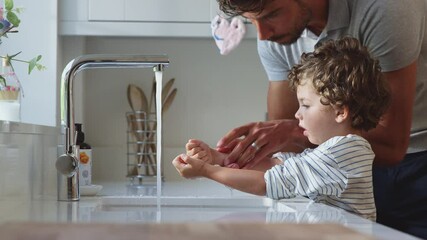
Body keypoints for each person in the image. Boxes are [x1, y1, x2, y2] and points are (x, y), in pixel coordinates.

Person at [213, 0, 427, 238]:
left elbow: (392, 145)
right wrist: (220, 158)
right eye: (250, 21)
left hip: (417, 165)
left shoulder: (388, 7)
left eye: (272, 15)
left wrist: (293, 133)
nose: (262, 35)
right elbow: (284, 152)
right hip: (332, 167)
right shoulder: (275, 36)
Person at [173, 37, 390, 221]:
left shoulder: (346, 151)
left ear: (340, 111)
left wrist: (207, 171)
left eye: (306, 105)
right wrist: (217, 158)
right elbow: (273, 166)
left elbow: (266, 182)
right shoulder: (328, 151)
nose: (297, 114)